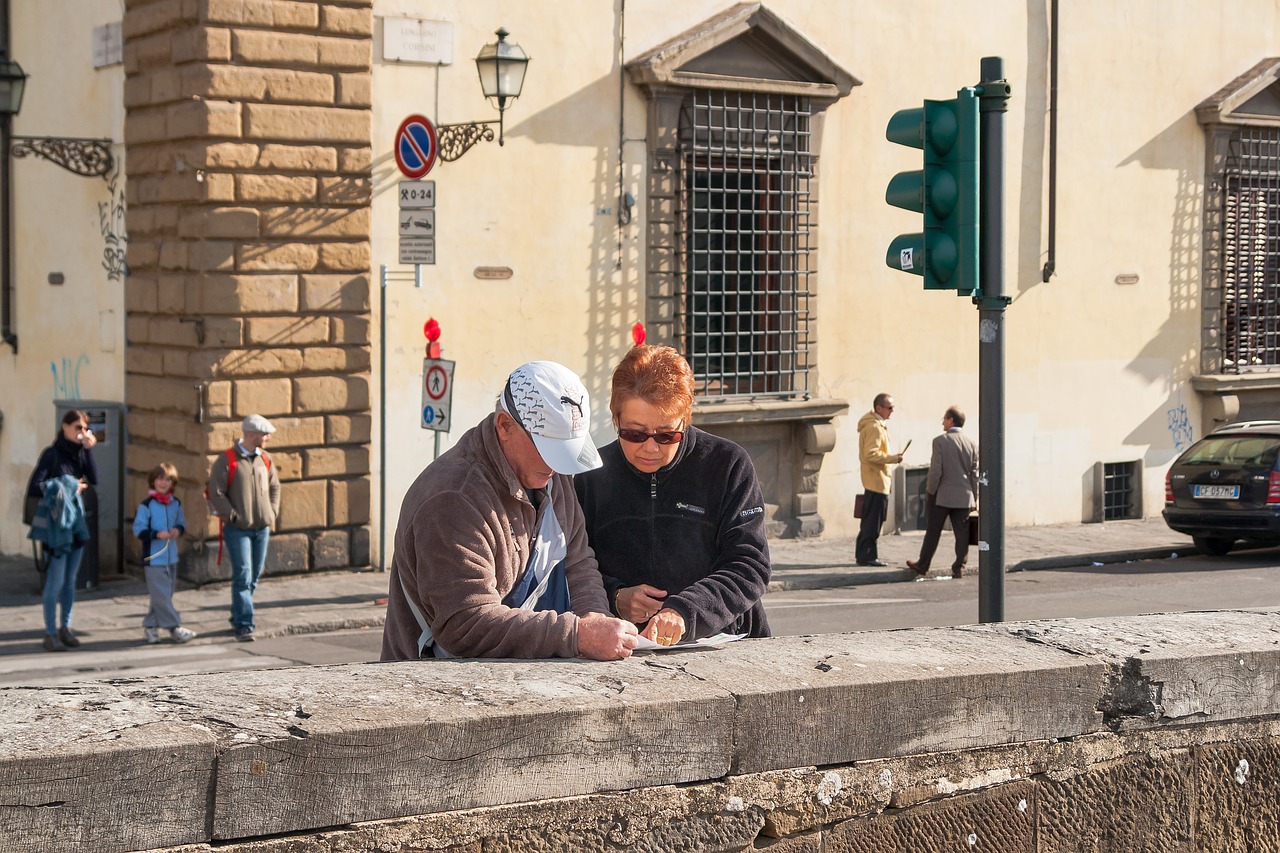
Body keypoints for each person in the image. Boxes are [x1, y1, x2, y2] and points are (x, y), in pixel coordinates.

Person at [381, 360, 639, 661]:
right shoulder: (452, 499)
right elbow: (466, 623)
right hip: (435, 688)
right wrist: (577, 635)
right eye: (548, 449)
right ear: (505, 426)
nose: (557, 467)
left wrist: (596, 621)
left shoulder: (551, 475)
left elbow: (577, 563)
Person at [575, 345, 771, 646]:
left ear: (686, 418)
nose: (650, 448)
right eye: (634, 434)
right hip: (628, 648)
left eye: (667, 435)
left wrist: (685, 612)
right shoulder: (591, 476)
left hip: (727, 642)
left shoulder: (728, 464)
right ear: (616, 419)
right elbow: (572, 565)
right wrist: (615, 596)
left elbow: (749, 565)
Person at [26, 410, 97, 652]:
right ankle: (49, 632)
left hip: (76, 524)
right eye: (77, 427)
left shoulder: (81, 453)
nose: (81, 432)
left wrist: (88, 450)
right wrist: (68, 484)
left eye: (85, 428)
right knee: (54, 583)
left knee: (70, 582)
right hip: (56, 529)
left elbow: (94, 479)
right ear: (64, 427)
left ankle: (65, 627)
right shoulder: (52, 454)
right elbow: (37, 485)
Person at [207, 414, 281, 642]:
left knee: (254, 576)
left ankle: (237, 613)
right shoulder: (227, 459)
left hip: (261, 528)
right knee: (243, 575)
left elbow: (275, 486)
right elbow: (215, 491)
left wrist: (272, 512)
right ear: (251, 434)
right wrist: (232, 516)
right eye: (264, 434)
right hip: (238, 528)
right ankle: (244, 624)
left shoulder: (265, 459)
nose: (267, 438)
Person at [908, 406, 979, 579]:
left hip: (943, 496)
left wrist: (930, 491)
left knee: (933, 531)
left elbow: (935, 471)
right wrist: (974, 498)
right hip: (964, 496)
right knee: (962, 533)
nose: (942, 422)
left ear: (951, 420)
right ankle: (959, 567)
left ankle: (923, 565)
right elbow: (975, 474)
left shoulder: (940, 441)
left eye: (944, 418)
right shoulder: (972, 443)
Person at [133, 462, 196, 644]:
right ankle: (174, 627)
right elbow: (139, 530)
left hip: (171, 556)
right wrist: (156, 534)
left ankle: (150, 626)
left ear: (173, 483)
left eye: (168, 480)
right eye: (160, 479)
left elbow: (181, 522)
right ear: (153, 482)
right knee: (161, 594)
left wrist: (178, 529)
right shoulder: (146, 505)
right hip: (153, 558)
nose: (163, 483)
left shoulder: (176, 503)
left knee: (163, 594)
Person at [855, 393, 905, 567]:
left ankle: (865, 554)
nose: (892, 411)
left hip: (876, 479)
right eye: (889, 408)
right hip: (876, 480)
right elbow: (871, 453)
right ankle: (867, 556)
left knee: (871, 519)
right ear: (879, 408)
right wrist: (892, 458)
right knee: (873, 521)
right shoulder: (874, 427)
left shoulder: (875, 424)